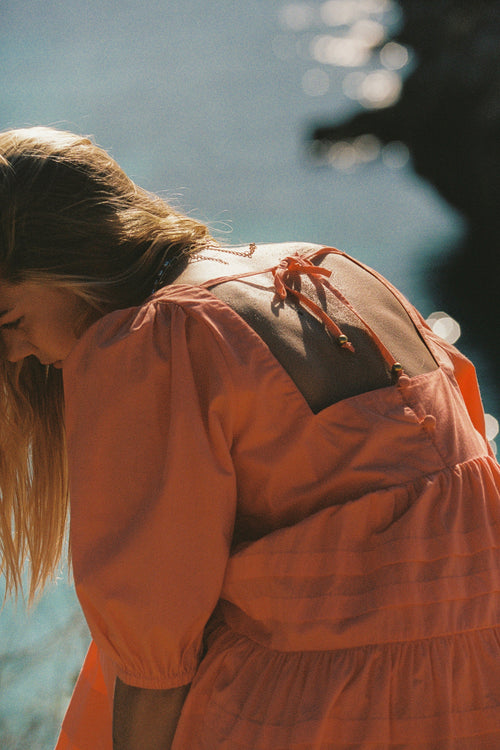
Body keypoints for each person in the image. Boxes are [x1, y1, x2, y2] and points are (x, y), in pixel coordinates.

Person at [0, 126, 499, 750]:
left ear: (64, 260)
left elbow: (155, 653)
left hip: (308, 714)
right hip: (474, 690)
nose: (15, 353)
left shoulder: (154, 344)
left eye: (9, 319)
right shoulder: (333, 270)